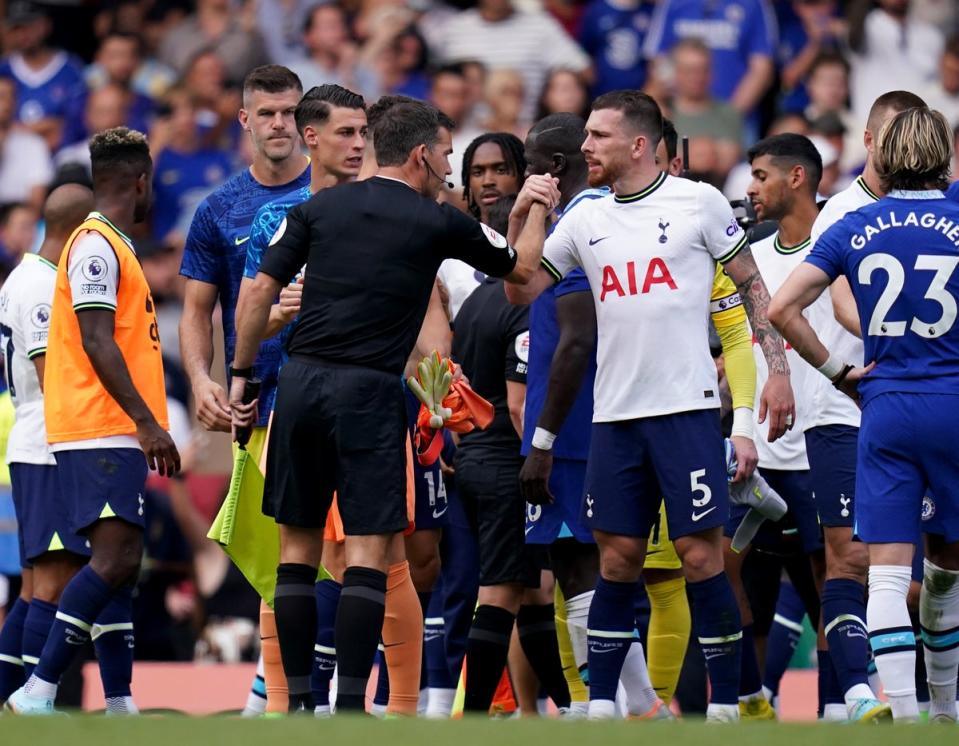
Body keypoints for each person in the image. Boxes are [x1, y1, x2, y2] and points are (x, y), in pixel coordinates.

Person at [230, 99, 560, 713]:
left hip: (300, 385)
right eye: (445, 155)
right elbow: (523, 273)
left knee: (296, 553)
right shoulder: (436, 220)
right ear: (420, 156)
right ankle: (354, 706)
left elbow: (257, 295)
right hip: (370, 392)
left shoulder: (315, 208)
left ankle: (298, 702)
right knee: (367, 555)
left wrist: (242, 375)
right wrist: (535, 205)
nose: (449, 169)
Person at [504, 90, 794, 722]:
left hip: (685, 413)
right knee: (617, 559)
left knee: (700, 557)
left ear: (638, 144)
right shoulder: (583, 218)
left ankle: (724, 709)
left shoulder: (699, 202)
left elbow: (751, 289)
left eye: (598, 137)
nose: (585, 149)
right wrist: (524, 215)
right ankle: (606, 707)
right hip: (614, 418)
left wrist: (777, 374)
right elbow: (519, 287)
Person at [769, 105, 959, 725]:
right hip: (952, 402)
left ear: (882, 152)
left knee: (881, 570)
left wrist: (837, 373)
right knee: (946, 569)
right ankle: (946, 711)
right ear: (944, 155)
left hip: (884, 404)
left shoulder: (854, 223)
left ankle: (902, 717)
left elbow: (781, 310)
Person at [5, 127, 180, 715]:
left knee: (119, 566)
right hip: (97, 424)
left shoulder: (111, 244)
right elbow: (97, 339)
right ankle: (39, 689)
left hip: (107, 427)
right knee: (110, 561)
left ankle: (118, 700)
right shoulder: (96, 244)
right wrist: (146, 421)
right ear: (141, 181)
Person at [177, 64, 308, 715]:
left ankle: (277, 688)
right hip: (255, 399)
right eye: (269, 113)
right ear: (246, 120)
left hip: (336, 388)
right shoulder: (219, 208)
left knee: (333, 544)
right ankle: (274, 685)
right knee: (275, 548)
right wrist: (201, 379)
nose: (280, 124)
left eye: (290, 112)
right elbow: (197, 310)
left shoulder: (333, 193)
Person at [794, 89, 926, 723]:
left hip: (911, 401)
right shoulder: (841, 212)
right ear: (871, 142)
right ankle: (855, 699)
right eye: (895, 136)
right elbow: (842, 301)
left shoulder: (933, 208)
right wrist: (898, 345)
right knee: (850, 556)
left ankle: (924, 697)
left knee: (923, 571)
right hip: (846, 401)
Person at [726, 133, 827, 718]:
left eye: (761, 175)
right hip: (757, 449)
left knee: (828, 578)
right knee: (724, 565)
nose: (750, 187)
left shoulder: (838, 245)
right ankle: (748, 699)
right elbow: (732, 336)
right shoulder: (748, 257)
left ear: (796, 178)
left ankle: (837, 705)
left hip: (821, 444)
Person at [0, 184, 94, 704]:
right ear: (76, 231)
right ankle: (38, 702)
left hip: (37, 443)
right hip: (48, 445)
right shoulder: (40, 285)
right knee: (52, 587)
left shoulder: (27, 277)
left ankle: (11, 697)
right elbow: (50, 372)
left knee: (35, 589)